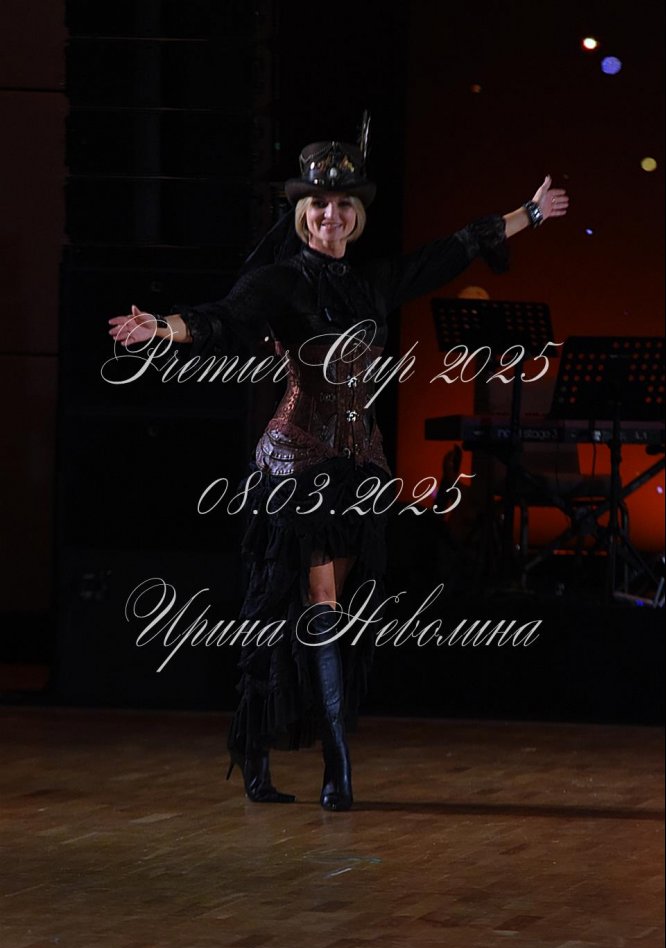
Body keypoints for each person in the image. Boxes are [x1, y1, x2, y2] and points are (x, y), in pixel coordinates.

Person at [109, 138, 569, 811]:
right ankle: (336, 767)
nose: (332, 214)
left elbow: (450, 251)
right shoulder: (280, 281)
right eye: (320, 204)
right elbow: (221, 321)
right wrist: (160, 326)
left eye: (343, 204)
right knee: (314, 601)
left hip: (359, 467)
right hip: (297, 464)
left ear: (357, 214)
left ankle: (266, 754)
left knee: (319, 611)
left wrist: (528, 212)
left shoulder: (372, 282)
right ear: (303, 213)